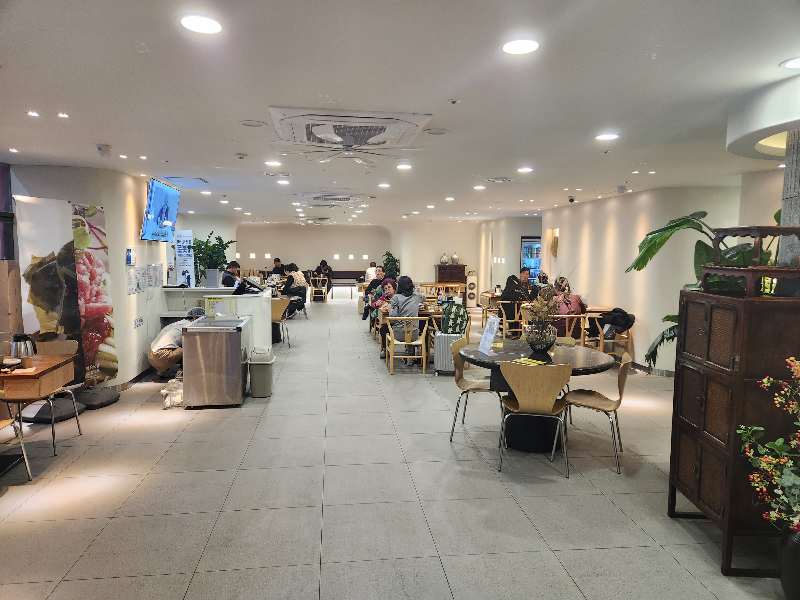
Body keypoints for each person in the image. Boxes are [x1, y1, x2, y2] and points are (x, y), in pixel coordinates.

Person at [147, 307, 205, 377]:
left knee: (174, 346)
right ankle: (181, 374)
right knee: (189, 348)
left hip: (150, 355)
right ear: (195, 318)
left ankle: (162, 371)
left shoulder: (178, 323)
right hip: (159, 356)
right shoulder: (189, 326)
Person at [378, 275, 422, 359]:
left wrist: (390, 309)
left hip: (398, 335)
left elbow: (392, 318)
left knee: (384, 328)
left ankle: (385, 351)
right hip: (414, 334)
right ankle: (414, 353)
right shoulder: (416, 297)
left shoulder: (396, 298)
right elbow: (423, 298)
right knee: (420, 326)